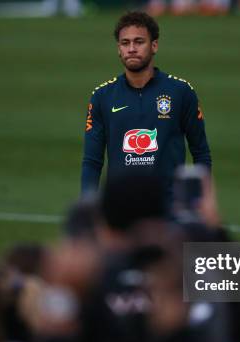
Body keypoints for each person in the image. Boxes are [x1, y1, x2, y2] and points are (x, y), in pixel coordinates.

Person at [80, 11, 212, 200]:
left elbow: (201, 154)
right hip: (120, 208)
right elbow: (92, 161)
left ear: (154, 45)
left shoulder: (181, 92)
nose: (132, 49)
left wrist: (199, 201)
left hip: (168, 208)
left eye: (139, 42)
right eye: (125, 43)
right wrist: (88, 204)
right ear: (119, 48)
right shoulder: (102, 96)